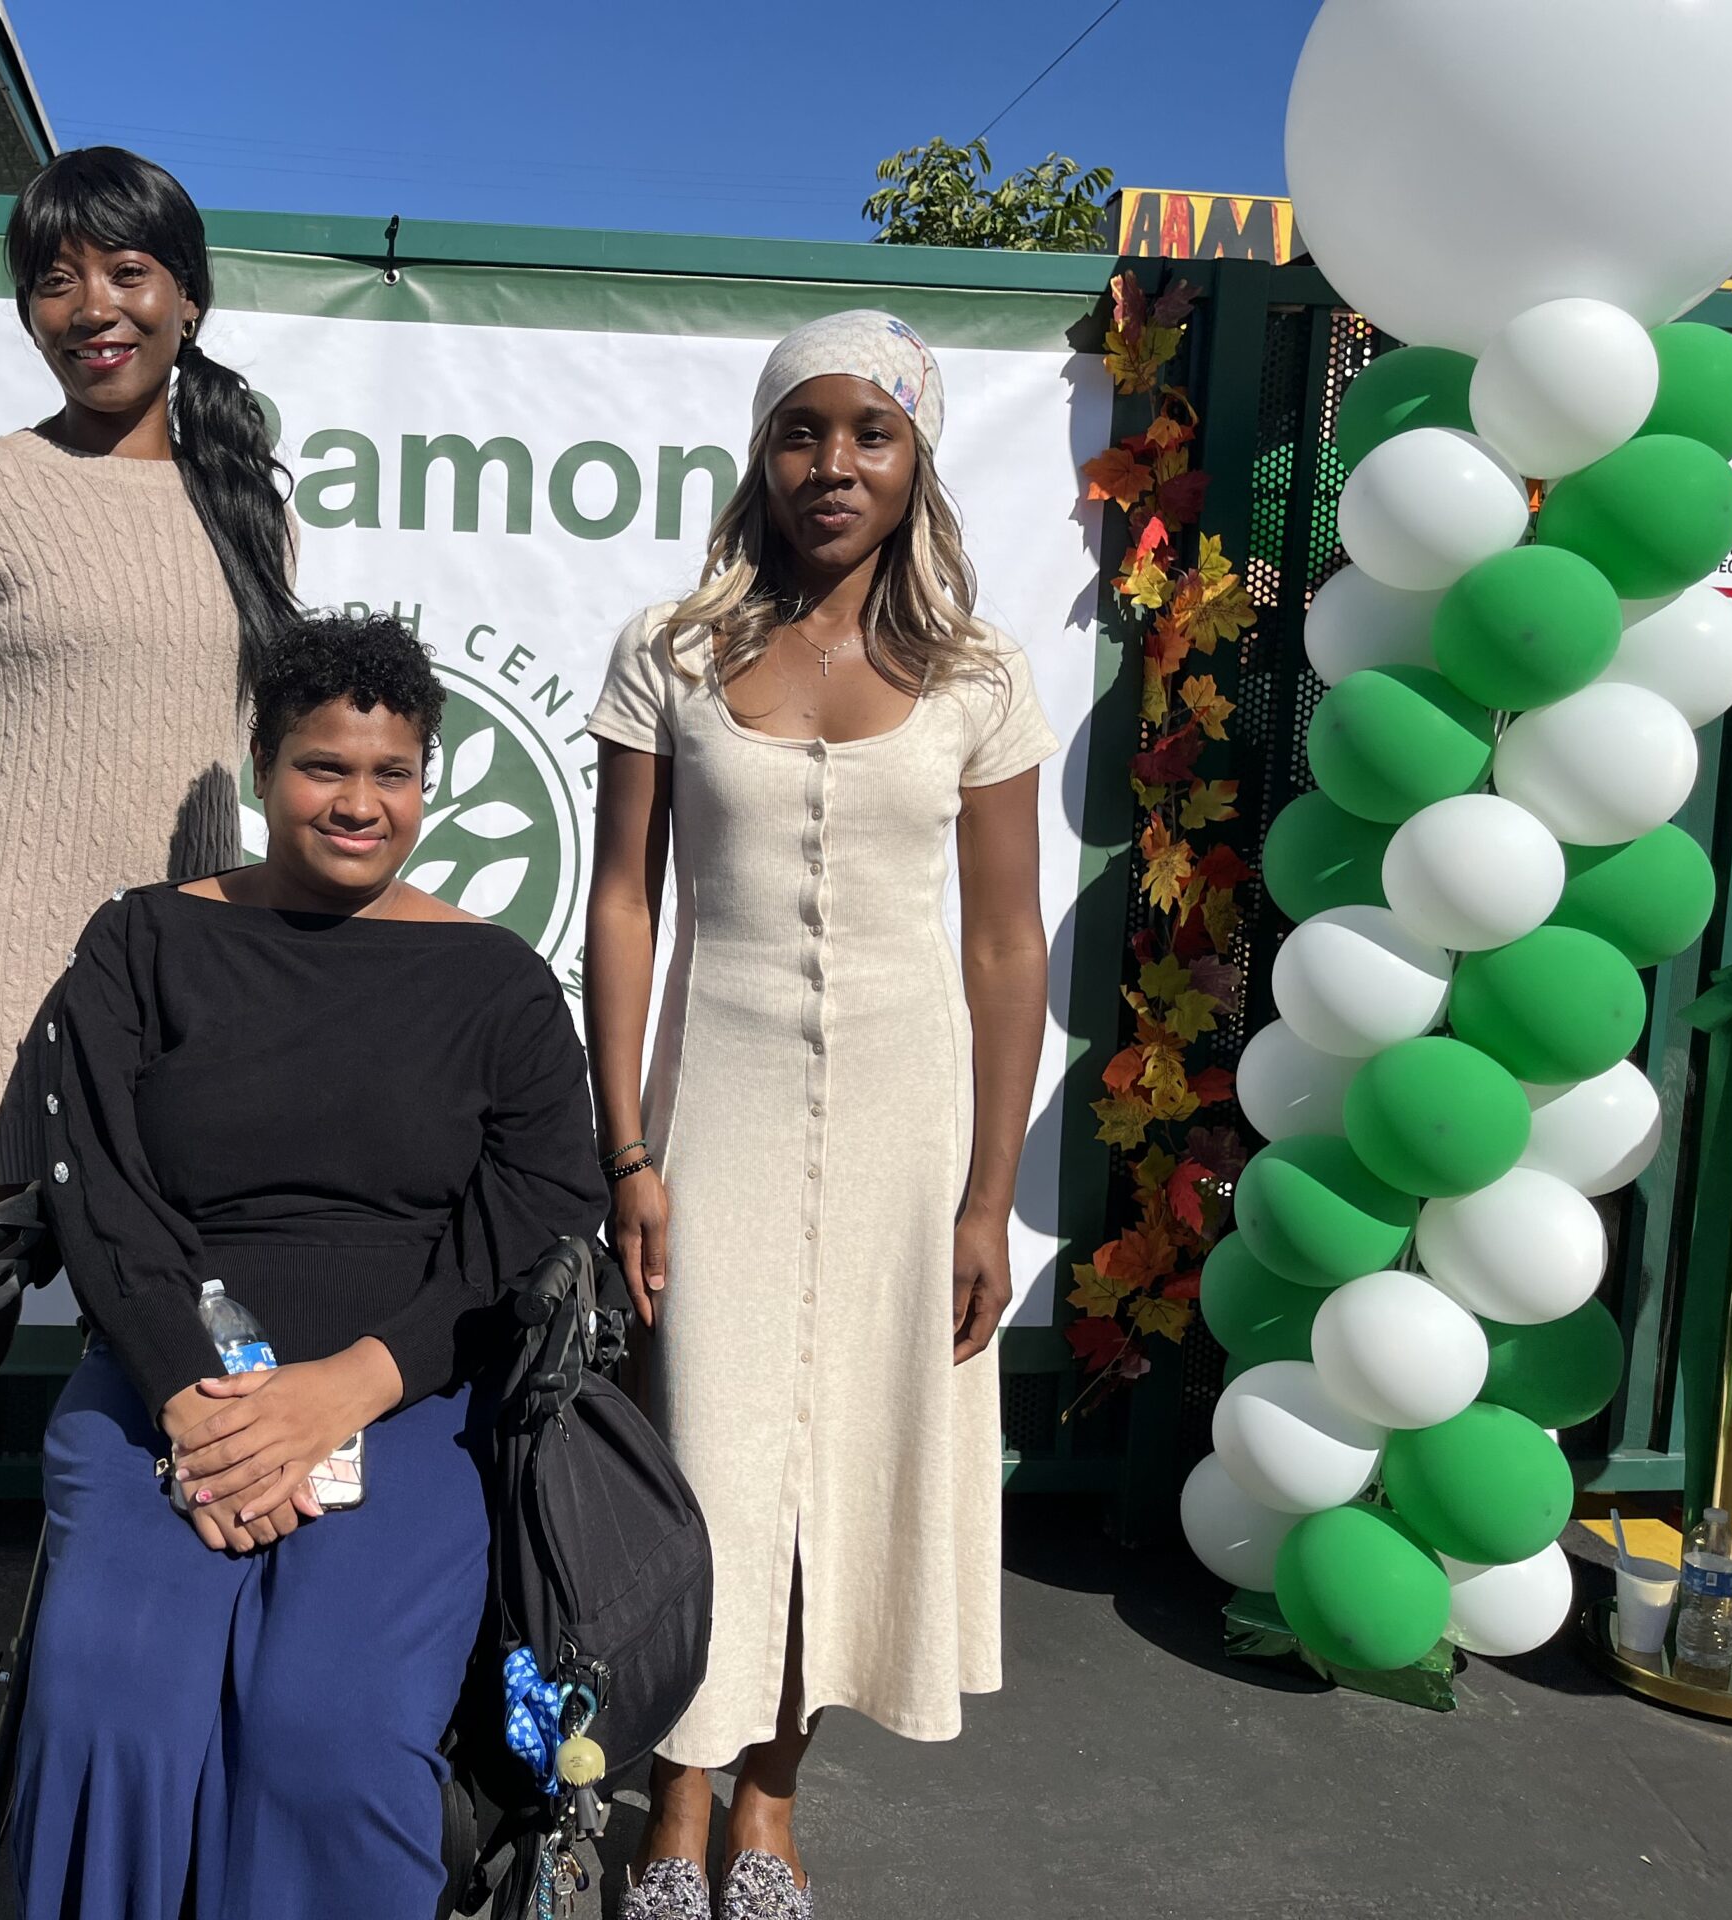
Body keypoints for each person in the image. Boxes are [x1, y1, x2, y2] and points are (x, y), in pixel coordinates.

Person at [11, 612, 609, 1918]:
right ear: (263, 768)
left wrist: (349, 1386)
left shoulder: (497, 983)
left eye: (392, 772)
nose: (358, 802)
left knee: (325, 1730)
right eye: (323, 766)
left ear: (427, 781)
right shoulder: (143, 944)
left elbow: (540, 1209)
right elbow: (91, 1176)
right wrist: (190, 1396)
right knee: (116, 1706)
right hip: (168, 1383)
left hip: (411, 1393)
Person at [582, 310, 1056, 1919]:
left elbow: (1007, 946)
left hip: (907, 1128)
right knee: (702, 1453)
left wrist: (987, 1196)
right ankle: (676, 1794)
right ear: (762, 452)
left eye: (871, 432)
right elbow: (624, 906)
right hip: (712, 1104)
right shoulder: (668, 649)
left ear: (916, 459)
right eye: (803, 430)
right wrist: (627, 1151)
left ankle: (770, 1806)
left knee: (850, 1464)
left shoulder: (981, 676)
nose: (833, 464)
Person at [0, 146, 295, 1878]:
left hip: (181, 1004)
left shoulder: (243, 503)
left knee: (188, 1343)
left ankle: (156, 1706)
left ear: (187, 293)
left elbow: (247, 767)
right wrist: (48, 911)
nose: (91, 307)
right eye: (55, 277)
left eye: (126, 272)